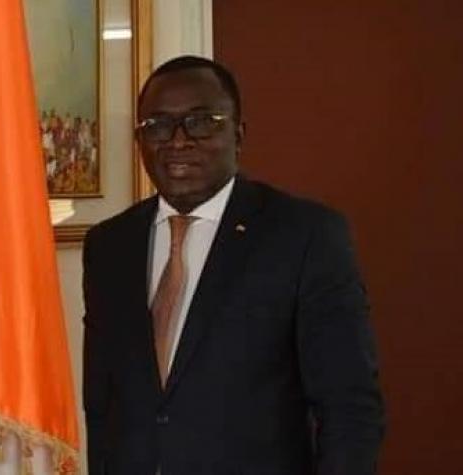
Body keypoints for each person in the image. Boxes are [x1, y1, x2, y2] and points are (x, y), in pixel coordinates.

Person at [81, 56, 384, 474]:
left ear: (238, 135)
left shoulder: (303, 235)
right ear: (140, 140)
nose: (178, 141)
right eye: (158, 125)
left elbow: (349, 408)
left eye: (201, 122)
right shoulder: (109, 246)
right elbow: (101, 403)